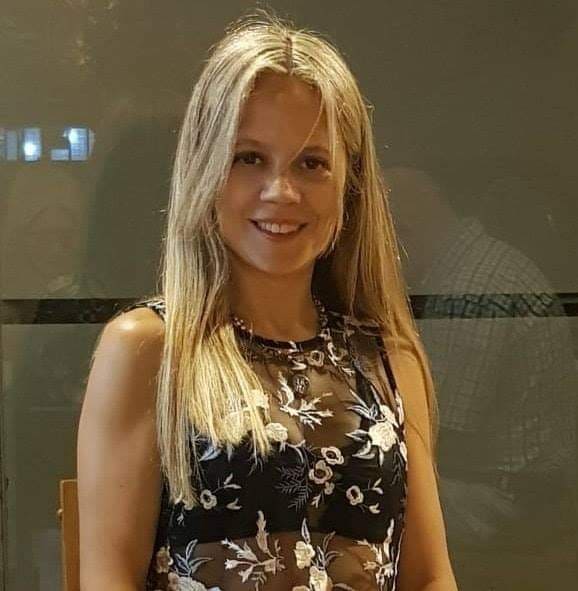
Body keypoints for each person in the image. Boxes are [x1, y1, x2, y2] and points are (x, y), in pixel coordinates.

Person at [77, 12, 458, 591]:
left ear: (350, 185)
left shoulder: (388, 359)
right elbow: (108, 579)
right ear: (205, 169)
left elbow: (428, 577)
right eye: (249, 158)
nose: (282, 191)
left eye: (312, 163)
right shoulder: (149, 349)